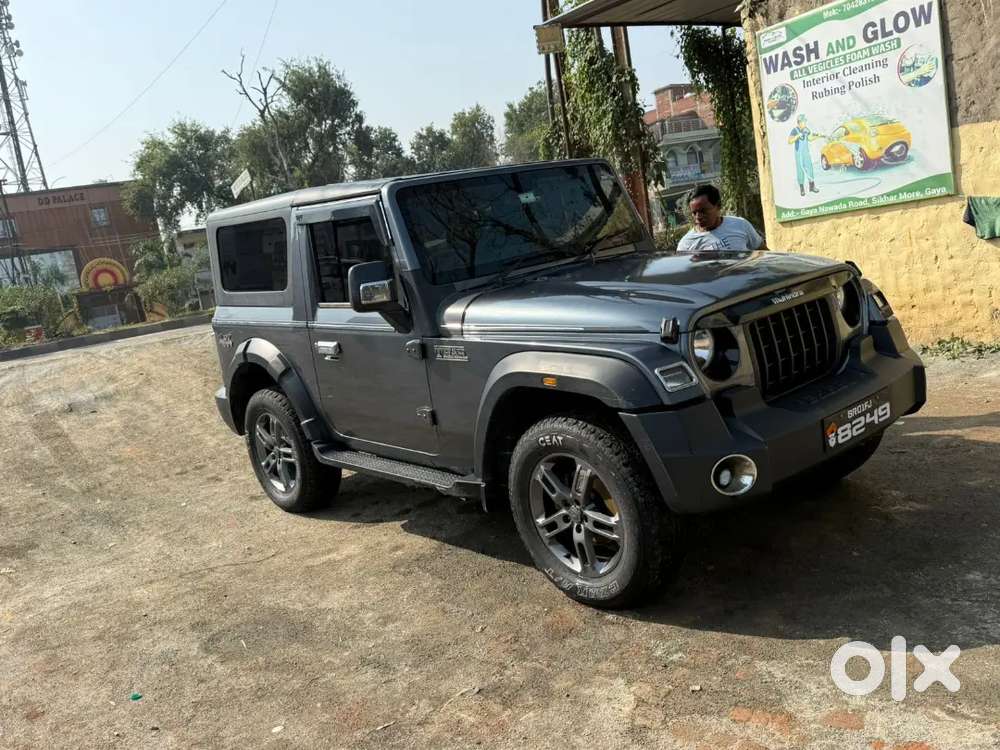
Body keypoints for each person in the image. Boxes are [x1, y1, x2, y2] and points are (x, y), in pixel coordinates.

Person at [675, 184, 765, 254]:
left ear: (718, 206)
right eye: (694, 213)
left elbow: (763, 253)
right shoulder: (686, 244)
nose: (698, 217)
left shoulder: (740, 225)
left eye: (703, 211)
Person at [788, 114, 822, 196]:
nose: (805, 123)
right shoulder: (794, 130)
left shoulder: (806, 129)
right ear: (799, 122)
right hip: (799, 154)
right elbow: (789, 141)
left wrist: (818, 136)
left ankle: (812, 187)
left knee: (809, 168)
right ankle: (802, 188)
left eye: (805, 121)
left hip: (806, 153)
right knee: (800, 170)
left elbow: (809, 138)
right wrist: (797, 136)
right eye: (804, 122)